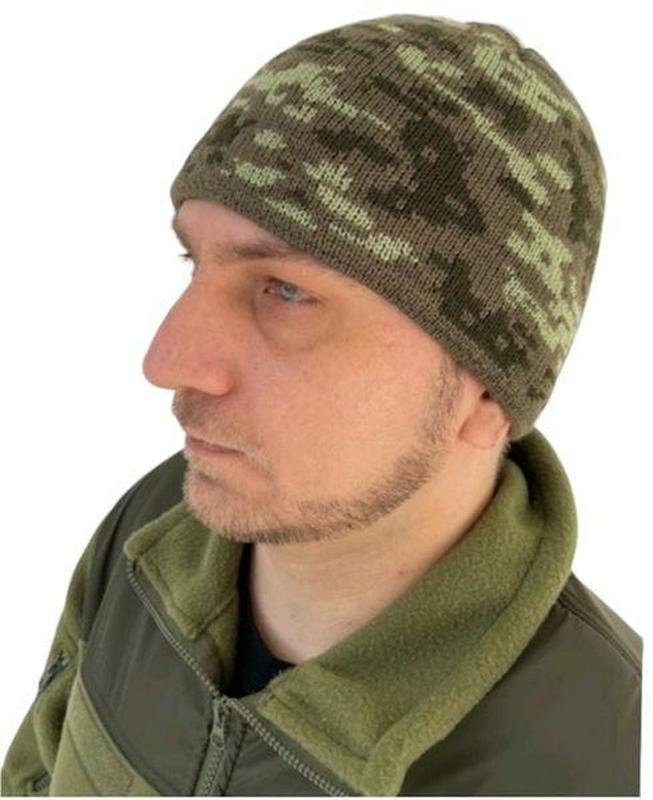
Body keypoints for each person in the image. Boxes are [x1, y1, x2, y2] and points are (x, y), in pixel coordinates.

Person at [1, 13, 641, 797]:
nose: (166, 363)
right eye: (191, 261)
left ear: (485, 391)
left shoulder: (597, 758)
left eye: (285, 291)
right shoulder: (155, 527)